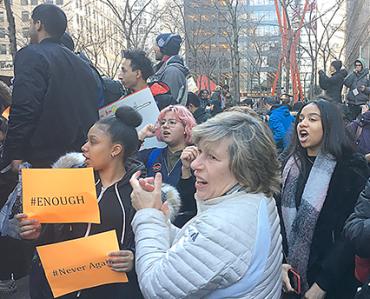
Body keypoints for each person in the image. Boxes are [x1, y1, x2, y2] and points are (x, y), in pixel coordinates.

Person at [130, 111, 282, 298]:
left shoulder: (224, 226)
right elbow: (198, 248)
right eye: (200, 151)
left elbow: (156, 287)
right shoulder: (255, 198)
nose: (195, 165)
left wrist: (148, 215)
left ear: (245, 167)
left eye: (212, 157)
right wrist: (162, 220)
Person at [16, 106, 144, 299]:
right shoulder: (71, 181)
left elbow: (151, 244)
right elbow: (50, 233)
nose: (84, 147)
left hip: (109, 291)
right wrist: (36, 232)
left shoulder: (140, 192)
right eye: (87, 140)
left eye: (93, 142)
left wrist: (134, 258)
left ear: (115, 150)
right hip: (58, 286)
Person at [279, 99, 368, 299]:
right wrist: (280, 262)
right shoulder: (290, 166)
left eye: (312, 119)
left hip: (333, 280)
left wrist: (323, 283)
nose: (303, 124)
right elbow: (280, 223)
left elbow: (349, 234)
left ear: (329, 125)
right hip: (291, 277)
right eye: (300, 119)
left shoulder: (350, 169)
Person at [0, 4, 99, 171]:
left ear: (38, 24)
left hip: (43, 159)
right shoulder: (83, 65)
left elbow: (25, 107)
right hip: (80, 155)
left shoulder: (31, 55)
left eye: (31, 23)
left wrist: (14, 153)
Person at [137, 105, 197, 227]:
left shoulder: (197, 157)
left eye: (172, 122)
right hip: (153, 224)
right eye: (162, 122)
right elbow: (125, 160)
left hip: (185, 227)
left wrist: (186, 170)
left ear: (186, 128)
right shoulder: (152, 154)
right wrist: (141, 136)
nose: (165, 126)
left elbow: (191, 201)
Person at [150, 33, 189, 105]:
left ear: (164, 49)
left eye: (156, 45)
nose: (154, 49)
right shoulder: (164, 69)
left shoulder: (172, 72)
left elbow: (167, 105)